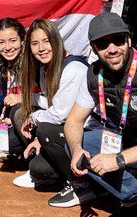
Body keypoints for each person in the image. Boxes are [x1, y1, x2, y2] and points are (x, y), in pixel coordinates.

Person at [50, 14, 137, 217]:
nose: (112, 49)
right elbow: (74, 120)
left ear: (128, 40)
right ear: (93, 48)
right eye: (102, 43)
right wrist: (76, 149)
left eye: (118, 40)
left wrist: (118, 159)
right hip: (123, 139)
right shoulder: (93, 74)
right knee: (75, 142)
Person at [13, 18, 86, 191]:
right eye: (35, 43)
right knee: (20, 112)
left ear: (56, 40)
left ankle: (78, 184)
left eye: (46, 41)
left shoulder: (73, 68)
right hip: (64, 128)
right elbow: (54, 102)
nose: (41, 48)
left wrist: (34, 118)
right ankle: (41, 158)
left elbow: (60, 113)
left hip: (83, 131)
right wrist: (28, 99)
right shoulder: (47, 67)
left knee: (41, 166)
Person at [0, 17, 27, 162]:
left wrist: (22, 99)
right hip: (24, 117)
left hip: (46, 119)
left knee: (18, 109)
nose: (7, 47)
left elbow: (51, 98)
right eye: (1, 42)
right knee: (1, 139)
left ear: (22, 40)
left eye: (13, 40)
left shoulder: (34, 61)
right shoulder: (5, 64)